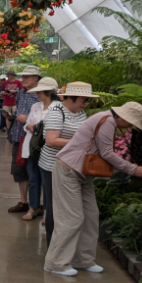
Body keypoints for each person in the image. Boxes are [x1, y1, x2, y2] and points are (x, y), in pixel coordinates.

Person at [43, 101, 142, 276]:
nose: (130, 126)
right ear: (123, 116)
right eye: (131, 122)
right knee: (72, 218)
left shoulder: (107, 119)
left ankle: (83, 260)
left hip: (83, 174)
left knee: (90, 216)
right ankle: (55, 262)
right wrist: (134, 169)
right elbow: (107, 153)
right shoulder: (107, 121)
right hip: (68, 171)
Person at [37, 82, 92, 245]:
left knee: (68, 208)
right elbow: (51, 141)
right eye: (84, 100)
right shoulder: (57, 112)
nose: (85, 103)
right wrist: (81, 143)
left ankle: (66, 246)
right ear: (71, 98)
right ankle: (53, 248)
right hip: (53, 166)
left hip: (72, 166)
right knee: (56, 207)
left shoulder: (80, 113)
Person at [20, 77, 59, 222]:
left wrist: (38, 127)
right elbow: (28, 123)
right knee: (33, 179)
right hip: (33, 147)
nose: (37, 94)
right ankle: (33, 207)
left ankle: (48, 211)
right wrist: (30, 126)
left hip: (48, 149)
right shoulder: (36, 106)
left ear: (48, 92)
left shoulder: (58, 107)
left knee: (47, 181)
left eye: (40, 92)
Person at [6, 66, 39, 214]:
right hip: (19, 135)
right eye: (23, 76)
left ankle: (35, 203)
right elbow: (19, 109)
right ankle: (23, 201)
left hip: (33, 138)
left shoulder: (40, 95)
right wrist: (12, 118)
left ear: (36, 78)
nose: (23, 79)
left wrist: (28, 119)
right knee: (18, 168)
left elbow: (46, 116)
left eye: (27, 76)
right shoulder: (20, 93)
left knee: (33, 170)